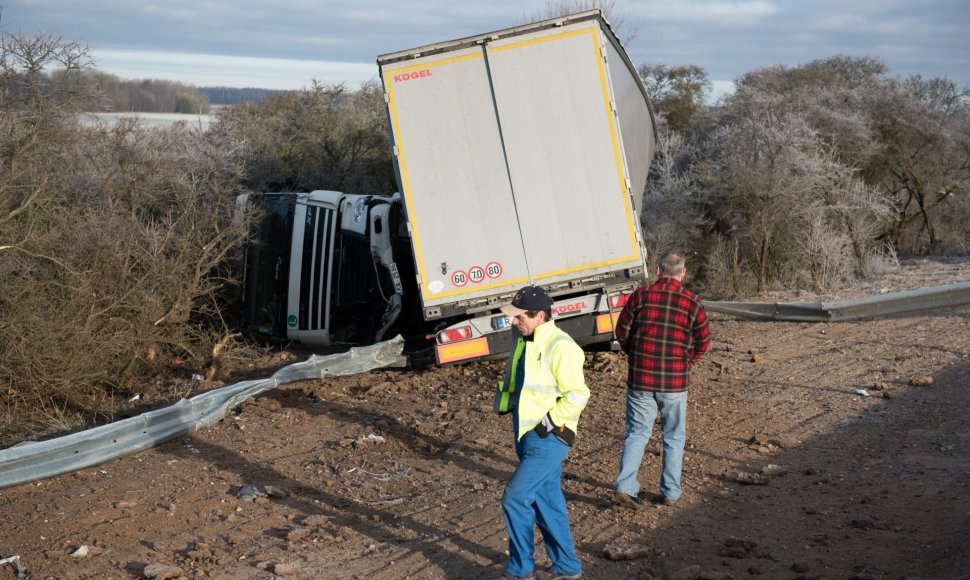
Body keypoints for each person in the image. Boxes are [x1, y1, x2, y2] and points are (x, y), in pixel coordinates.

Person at [494, 285, 590, 580]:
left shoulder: (562, 346)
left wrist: (547, 424)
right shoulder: (525, 339)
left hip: (549, 436)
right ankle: (567, 568)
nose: (513, 321)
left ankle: (521, 570)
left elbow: (578, 395)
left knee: (515, 498)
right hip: (527, 433)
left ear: (540, 316)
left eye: (519, 316)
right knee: (547, 501)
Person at [612, 251, 710, 508]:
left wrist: (635, 354)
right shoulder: (692, 302)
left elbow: (621, 332)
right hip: (675, 383)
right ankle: (670, 492)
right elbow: (703, 342)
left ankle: (625, 486)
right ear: (683, 273)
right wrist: (687, 361)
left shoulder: (640, 296)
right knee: (674, 437)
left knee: (637, 433)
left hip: (641, 379)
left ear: (658, 270)